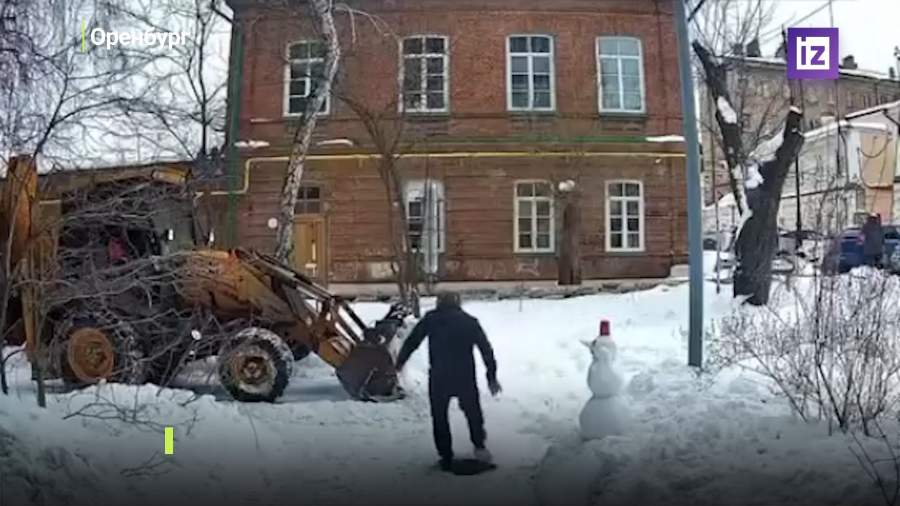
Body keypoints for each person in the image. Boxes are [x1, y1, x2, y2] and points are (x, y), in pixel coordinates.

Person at [395, 291, 501, 472]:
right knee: (473, 413)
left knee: (440, 416)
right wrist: (491, 377)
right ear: (458, 303)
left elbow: (413, 341)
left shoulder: (431, 319)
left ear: (439, 303)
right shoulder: (469, 321)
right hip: (464, 377)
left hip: (439, 376)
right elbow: (486, 350)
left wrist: (400, 362)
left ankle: (446, 455)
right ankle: (480, 446)